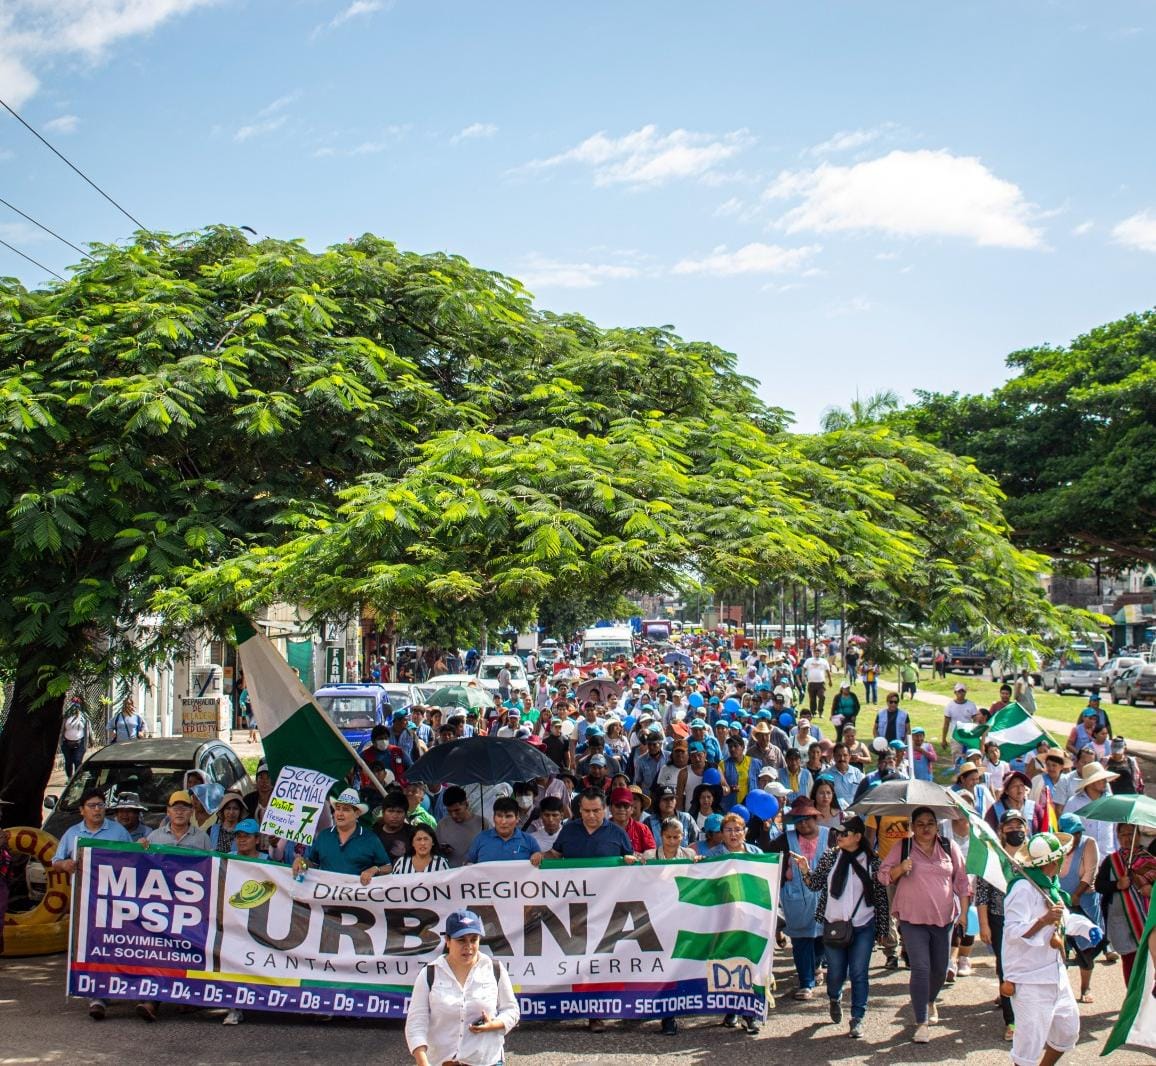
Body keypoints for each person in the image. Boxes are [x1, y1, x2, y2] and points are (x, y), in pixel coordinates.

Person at [531, 788, 634, 1032]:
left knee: (599, 960)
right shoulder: (569, 830)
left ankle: (596, 1013)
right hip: (573, 907)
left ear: (605, 809)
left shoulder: (618, 834)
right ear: (579, 810)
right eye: (586, 811)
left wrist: (633, 860)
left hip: (607, 909)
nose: (591, 816)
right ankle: (571, 1006)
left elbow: (635, 869)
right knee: (575, 958)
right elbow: (555, 855)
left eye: (596, 811)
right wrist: (540, 856)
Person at [1004, 831, 1099, 1066]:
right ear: (1053, 862)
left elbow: (1063, 919)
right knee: (1029, 1043)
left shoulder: (1050, 886)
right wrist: (1043, 921)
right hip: (1029, 978)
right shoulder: (1022, 889)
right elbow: (1013, 931)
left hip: (1055, 972)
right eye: (1062, 858)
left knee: (1068, 1030)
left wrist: (1088, 928)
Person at [878, 805, 970, 1044]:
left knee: (940, 968)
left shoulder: (950, 847)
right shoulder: (903, 847)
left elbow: (961, 880)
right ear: (912, 827)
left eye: (930, 822)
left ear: (937, 825)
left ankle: (929, 1000)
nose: (925, 827)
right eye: (920, 824)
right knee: (920, 968)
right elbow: (883, 875)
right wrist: (901, 868)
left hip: (944, 918)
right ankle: (921, 1021)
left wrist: (964, 913)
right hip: (912, 919)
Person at [795, 815, 888, 1039]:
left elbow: (880, 897)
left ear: (857, 836)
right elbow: (815, 884)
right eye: (837, 833)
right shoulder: (831, 856)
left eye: (844, 833)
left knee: (858, 972)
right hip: (834, 923)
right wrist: (805, 869)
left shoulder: (872, 861)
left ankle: (857, 1017)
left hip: (863, 924)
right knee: (836, 973)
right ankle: (834, 997)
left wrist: (883, 928)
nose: (839, 837)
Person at [405, 909, 519, 1066]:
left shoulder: (495, 969)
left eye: (474, 939)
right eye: (461, 940)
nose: (469, 946)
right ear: (448, 940)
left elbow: (512, 1011)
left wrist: (494, 1024)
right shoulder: (429, 974)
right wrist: (423, 1062)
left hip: (486, 1061)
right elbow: (416, 1023)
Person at [780, 797, 831, 1001]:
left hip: (825, 899)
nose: (803, 824)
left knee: (822, 937)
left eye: (807, 819)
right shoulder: (785, 839)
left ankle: (817, 965)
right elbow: (770, 855)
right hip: (796, 899)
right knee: (801, 940)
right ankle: (806, 982)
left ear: (815, 817)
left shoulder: (832, 836)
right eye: (798, 820)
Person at [293, 788, 391, 883]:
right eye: (337, 809)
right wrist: (302, 862)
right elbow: (313, 864)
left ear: (357, 814)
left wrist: (375, 869)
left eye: (346, 810)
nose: (340, 813)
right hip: (324, 895)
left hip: (355, 897)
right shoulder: (324, 835)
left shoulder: (370, 839)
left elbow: (388, 867)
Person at [1057, 812, 1102, 1004]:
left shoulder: (1089, 843)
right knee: (1060, 948)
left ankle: (1085, 987)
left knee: (1086, 949)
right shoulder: (1056, 846)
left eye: (1077, 834)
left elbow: (1090, 873)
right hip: (1061, 903)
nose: (1074, 838)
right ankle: (1061, 989)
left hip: (1084, 902)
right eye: (1070, 834)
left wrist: (1075, 896)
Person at [465, 796, 541, 863]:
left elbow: (540, 864)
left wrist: (538, 856)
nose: (503, 821)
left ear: (517, 818)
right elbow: (467, 865)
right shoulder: (480, 839)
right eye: (499, 816)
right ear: (493, 817)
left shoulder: (529, 840)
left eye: (508, 816)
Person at [435, 786, 485, 867]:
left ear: (466, 804)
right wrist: (441, 850)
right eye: (449, 811)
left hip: (476, 874)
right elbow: (434, 850)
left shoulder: (483, 823)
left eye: (457, 810)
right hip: (449, 874)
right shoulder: (442, 824)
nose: (453, 815)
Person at [941, 683, 977, 756]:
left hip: (968, 736)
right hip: (955, 736)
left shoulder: (971, 705)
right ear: (955, 692)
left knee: (969, 757)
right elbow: (946, 724)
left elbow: (975, 721)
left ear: (965, 692)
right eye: (959, 691)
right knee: (957, 757)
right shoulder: (950, 706)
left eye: (962, 691)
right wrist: (944, 739)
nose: (961, 693)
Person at [60, 695, 88, 777]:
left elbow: (88, 729)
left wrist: (91, 740)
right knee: (68, 761)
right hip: (66, 742)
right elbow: (62, 728)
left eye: (77, 703)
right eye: (73, 703)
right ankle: (69, 778)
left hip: (80, 742)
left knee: (77, 760)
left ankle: (77, 779)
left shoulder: (84, 716)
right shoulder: (66, 716)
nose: (75, 705)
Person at [803, 650, 831, 717]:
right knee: (812, 698)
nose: (817, 654)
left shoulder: (824, 661)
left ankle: (820, 712)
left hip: (821, 683)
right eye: (815, 653)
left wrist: (830, 680)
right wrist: (803, 676)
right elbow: (804, 668)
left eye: (818, 653)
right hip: (811, 682)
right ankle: (813, 712)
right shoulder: (809, 660)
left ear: (820, 653)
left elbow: (827, 671)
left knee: (822, 696)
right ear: (813, 653)